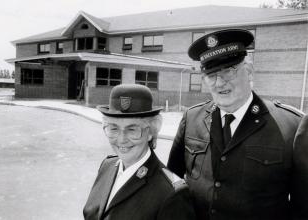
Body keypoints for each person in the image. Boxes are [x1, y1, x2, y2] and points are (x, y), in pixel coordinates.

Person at [167, 29, 308, 220]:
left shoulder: (291, 126)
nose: (219, 83)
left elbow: (303, 207)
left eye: (228, 71)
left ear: (249, 71)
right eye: (211, 75)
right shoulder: (192, 118)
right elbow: (172, 181)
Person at [83, 84, 196, 220]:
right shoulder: (107, 165)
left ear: (151, 131)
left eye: (132, 130)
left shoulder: (172, 193)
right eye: (114, 129)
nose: (121, 139)